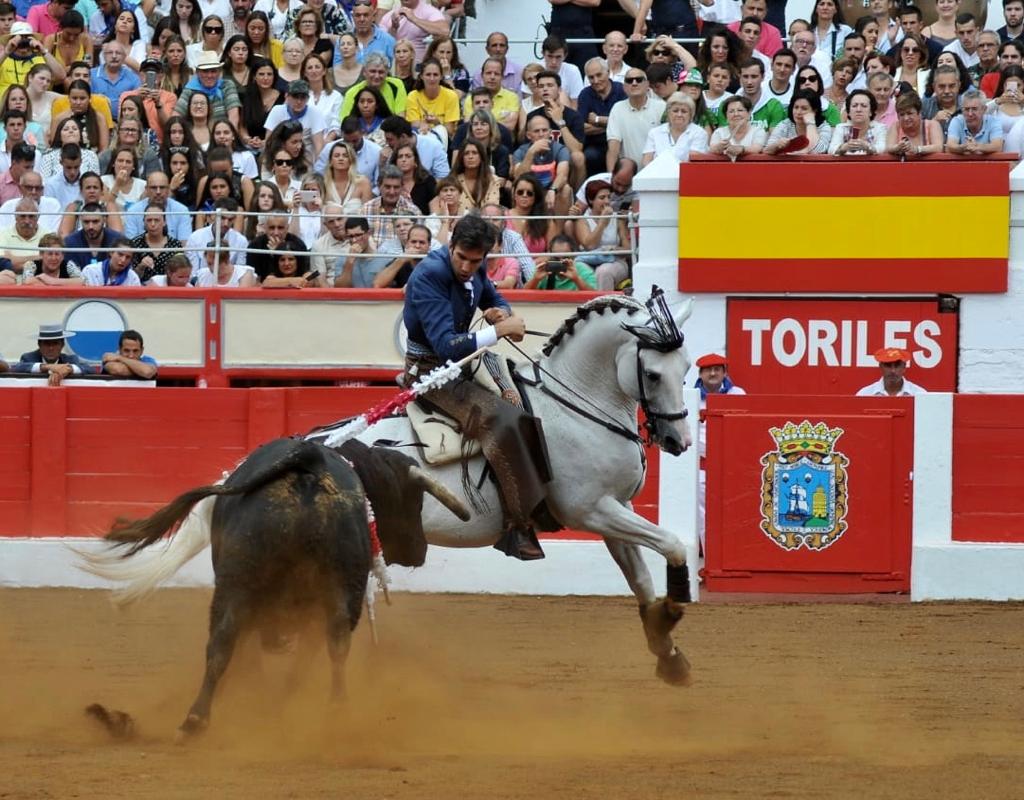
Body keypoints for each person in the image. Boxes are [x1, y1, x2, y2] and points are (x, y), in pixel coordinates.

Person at [402, 214, 547, 561]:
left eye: (475, 260)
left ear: (484, 256)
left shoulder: (475, 269)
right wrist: (498, 331)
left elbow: (494, 298)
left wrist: (500, 313)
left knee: (525, 397)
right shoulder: (429, 275)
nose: (467, 267)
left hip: (464, 364)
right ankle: (516, 524)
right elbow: (446, 347)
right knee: (504, 420)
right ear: (450, 245)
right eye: (461, 258)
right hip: (431, 374)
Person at [693, 352, 746, 550]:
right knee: (704, 516)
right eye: (708, 370)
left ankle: (734, 556)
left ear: (725, 373)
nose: (713, 373)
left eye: (717, 369)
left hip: (731, 467)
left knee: (734, 513)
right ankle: (711, 558)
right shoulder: (690, 397)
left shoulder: (737, 395)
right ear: (700, 374)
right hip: (702, 467)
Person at [606, 68, 665, 170]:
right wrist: (611, 176)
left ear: (647, 85)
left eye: (639, 79)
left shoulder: (662, 107)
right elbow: (613, 148)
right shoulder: (617, 109)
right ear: (624, 87)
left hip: (657, 171)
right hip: (628, 174)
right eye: (629, 80)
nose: (634, 83)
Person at [578, 56, 626, 177]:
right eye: (591, 77)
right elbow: (582, 128)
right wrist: (612, 125)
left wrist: (597, 120)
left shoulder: (622, 90)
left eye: (599, 75)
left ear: (608, 72)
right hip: (595, 144)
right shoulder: (585, 94)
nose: (595, 80)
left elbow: (626, 122)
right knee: (589, 156)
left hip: (622, 143)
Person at [13, 322, 92, 385]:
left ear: (62, 345)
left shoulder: (70, 359)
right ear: (39, 345)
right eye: (47, 344)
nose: (51, 348)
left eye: (55, 343)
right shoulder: (29, 357)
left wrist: (68, 369)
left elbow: (89, 369)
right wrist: (48, 367)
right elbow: (17, 368)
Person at [948, 88, 1004, 153]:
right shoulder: (957, 121)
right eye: (966, 109)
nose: (970, 114)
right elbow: (950, 146)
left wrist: (976, 147)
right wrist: (964, 147)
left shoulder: (993, 121)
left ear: (984, 109)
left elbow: (998, 147)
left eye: (974, 109)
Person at [855, 347, 927, 396]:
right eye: (888, 365)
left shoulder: (920, 394)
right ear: (880, 367)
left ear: (904, 367)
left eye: (897, 365)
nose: (893, 371)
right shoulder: (865, 394)